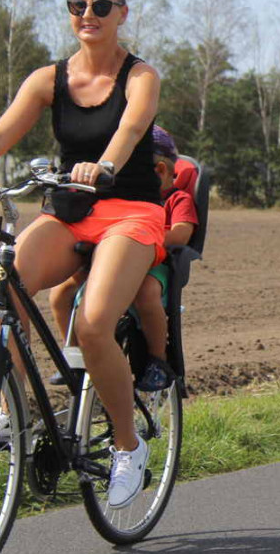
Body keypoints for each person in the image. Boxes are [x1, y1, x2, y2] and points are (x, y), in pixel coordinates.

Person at [0, 0, 165, 509]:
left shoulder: (140, 75)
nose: (88, 16)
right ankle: (9, 412)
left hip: (131, 213)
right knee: (7, 286)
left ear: (122, 14)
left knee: (96, 321)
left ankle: (129, 446)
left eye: (102, 7)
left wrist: (102, 166)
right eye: (78, 5)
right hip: (72, 210)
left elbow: (130, 128)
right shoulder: (47, 79)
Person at [49, 125, 198, 391]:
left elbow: (181, 235)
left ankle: (157, 360)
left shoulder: (178, 199)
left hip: (154, 263)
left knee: (146, 294)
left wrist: (135, 241)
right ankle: (73, 354)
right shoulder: (118, 199)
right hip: (108, 259)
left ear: (160, 172)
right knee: (62, 293)